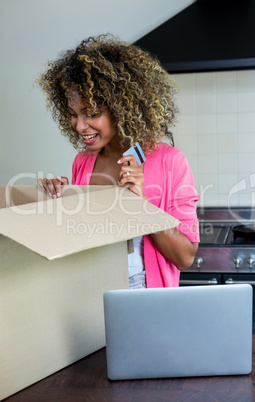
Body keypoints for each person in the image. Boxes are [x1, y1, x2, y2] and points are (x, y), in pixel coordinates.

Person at [36, 34, 200, 289]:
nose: (80, 126)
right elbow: (83, 241)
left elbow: (185, 257)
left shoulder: (170, 162)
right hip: (88, 293)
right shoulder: (83, 162)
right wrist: (60, 202)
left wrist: (143, 206)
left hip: (143, 299)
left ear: (122, 107)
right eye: (73, 114)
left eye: (91, 113)